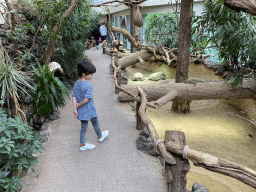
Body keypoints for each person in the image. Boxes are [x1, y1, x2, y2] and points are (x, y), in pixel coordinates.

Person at [72, 59, 109, 151]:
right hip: (89, 108)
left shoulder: (76, 84)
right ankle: (99, 136)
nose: (92, 76)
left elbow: (74, 97)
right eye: (91, 74)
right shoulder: (88, 85)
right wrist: (78, 106)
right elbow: (85, 100)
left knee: (83, 128)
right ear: (84, 74)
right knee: (95, 122)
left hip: (82, 111)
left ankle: (83, 144)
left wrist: (75, 109)